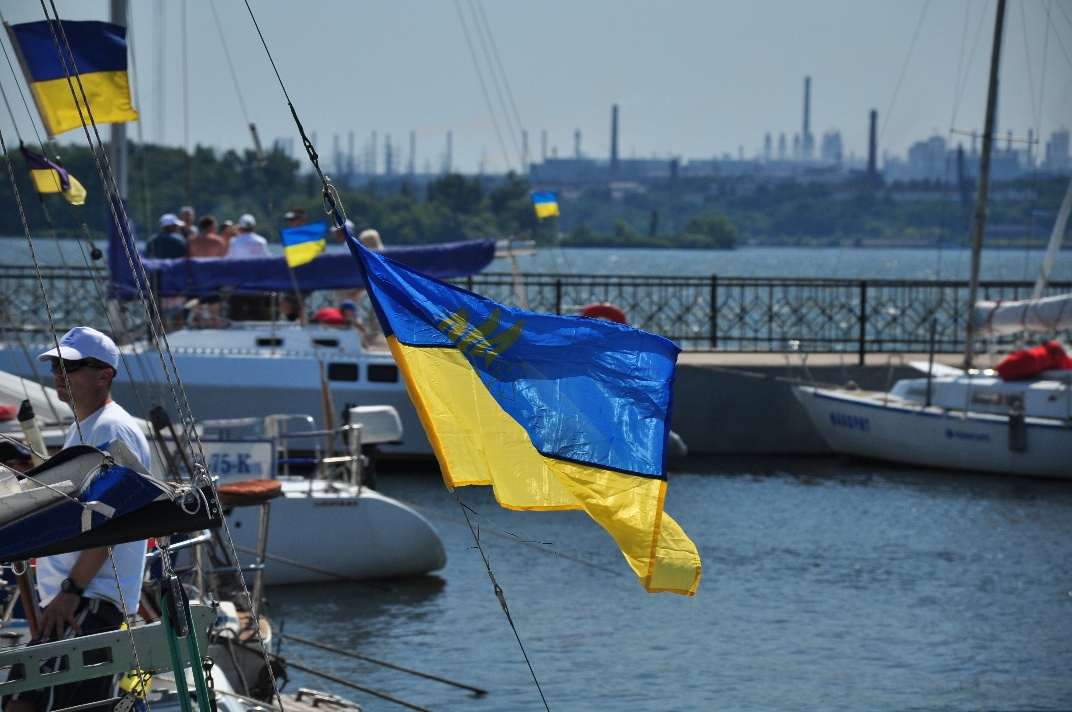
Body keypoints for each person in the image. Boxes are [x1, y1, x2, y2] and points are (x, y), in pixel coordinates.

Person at [3, 328, 151, 712]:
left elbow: (109, 518)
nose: (58, 373)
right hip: (73, 601)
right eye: (55, 365)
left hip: (89, 601)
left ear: (105, 375)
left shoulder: (111, 428)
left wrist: (71, 590)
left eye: (71, 365)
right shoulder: (83, 428)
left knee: (41, 703)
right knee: (23, 698)